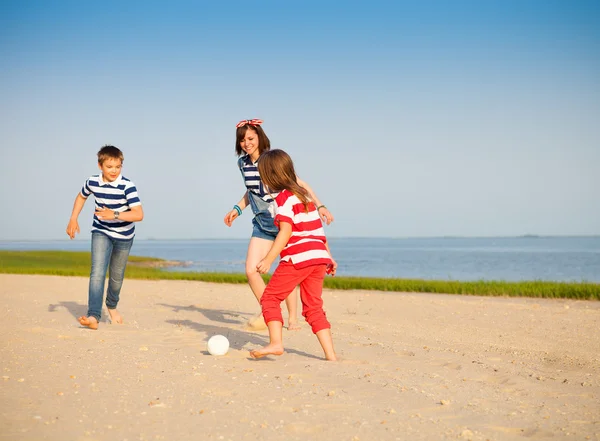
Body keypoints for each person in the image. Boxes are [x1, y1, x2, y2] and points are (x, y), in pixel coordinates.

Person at [224, 119, 334, 331]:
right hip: (262, 223)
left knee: (285, 271)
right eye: (242, 140)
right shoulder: (242, 164)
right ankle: (269, 310)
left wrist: (320, 206)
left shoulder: (271, 160)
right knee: (251, 270)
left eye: (250, 138)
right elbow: (252, 191)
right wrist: (237, 209)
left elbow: (299, 184)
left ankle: (292, 318)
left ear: (259, 138)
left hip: (284, 221)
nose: (246, 143)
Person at [248, 149, 337, 360]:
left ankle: (276, 343)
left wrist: (268, 259)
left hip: (298, 259)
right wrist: (329, 258)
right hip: (318, 258)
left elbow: (286, 231)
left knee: (269, 298)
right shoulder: (304, 197)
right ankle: (331, 355)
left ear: (271, 177)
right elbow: (319, 233)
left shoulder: (284, 199)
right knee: (314, 307)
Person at [66, 145, 144, 330]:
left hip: (124, 236)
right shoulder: (92, 182)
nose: (114, 171)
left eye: (118, 167)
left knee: (116, 278)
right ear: (100, 165)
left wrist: (114, 214)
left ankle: (111, 305)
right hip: (101, 231)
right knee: (97, 273)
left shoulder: (127, 186)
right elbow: (81, 196)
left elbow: (138, 215)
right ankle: (93, 315)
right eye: (110, 167)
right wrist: (73, 218)